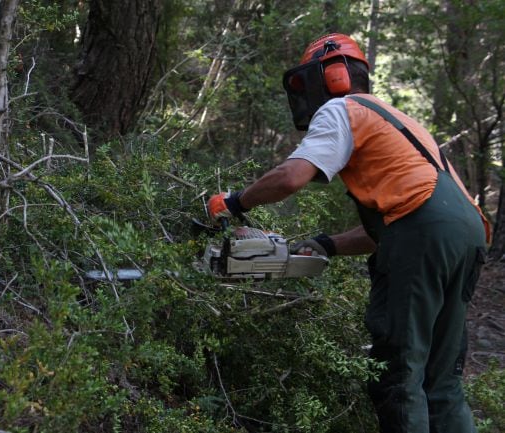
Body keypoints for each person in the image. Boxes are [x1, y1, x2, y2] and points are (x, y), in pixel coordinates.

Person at [207, 33, 490, 433]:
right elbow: (406, 222)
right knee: (441, 382)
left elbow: (291, 177)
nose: (308, 95)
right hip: (469, 235)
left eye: (308, 85)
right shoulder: (404, 123)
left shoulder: (343, 108)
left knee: (399, 376)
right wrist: (325, 245)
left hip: (424, 237)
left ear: (334, 76)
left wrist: (233, 203)